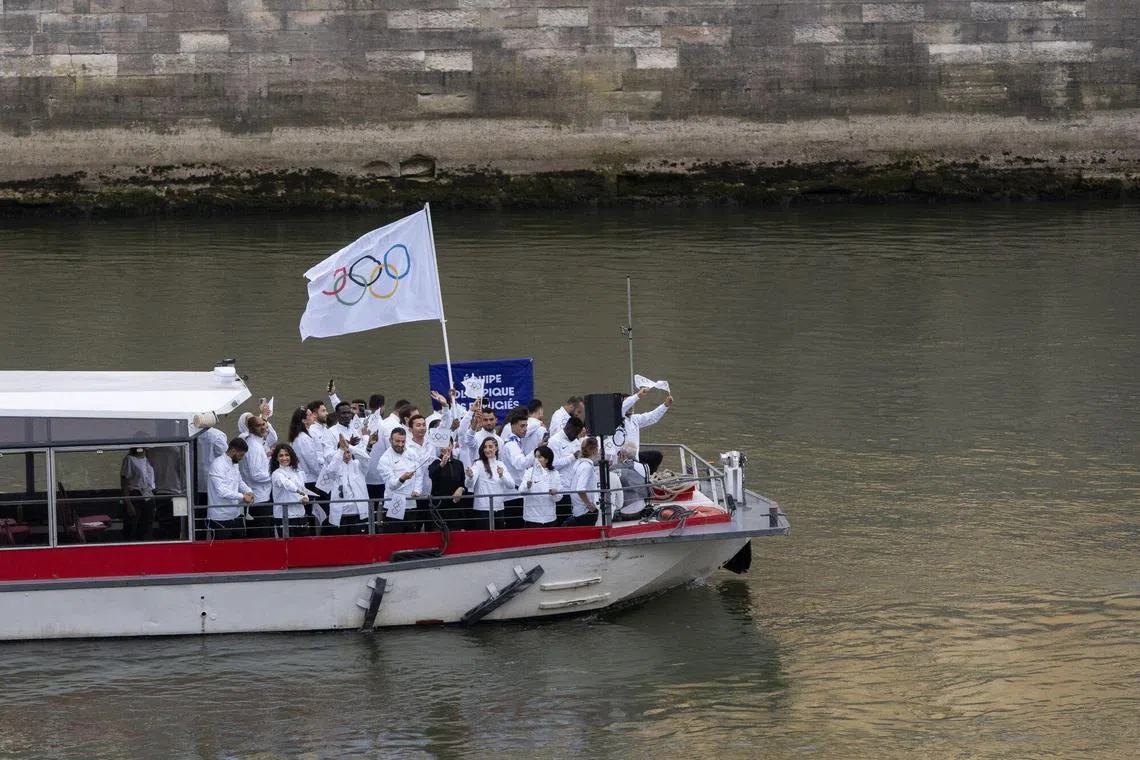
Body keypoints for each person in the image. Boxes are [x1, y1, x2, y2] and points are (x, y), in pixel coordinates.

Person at [316, 434, 370, 534]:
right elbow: (330, 471)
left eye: (348, 452)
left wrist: (349, 447)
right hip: (341, 514)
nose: (347, 455)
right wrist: (341, 450)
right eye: (344, 453)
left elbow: (366, 458)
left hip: (358, 512)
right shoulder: (335, 466)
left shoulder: (358, 466)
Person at [614, 388, 673, 473]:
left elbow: (652, 417)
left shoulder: (634, 419)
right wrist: (637, 396)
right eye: (629, 404)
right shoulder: (615, 419)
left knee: (656, 456)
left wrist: (665, 405)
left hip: (634, 458)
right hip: (620, 460)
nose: (631, 406)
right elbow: (622, 408)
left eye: (632, 404)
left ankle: (649, 477)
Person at [376, 428, 423, 533]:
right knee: (393, 538)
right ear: (390, 440)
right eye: (397, 441)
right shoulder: (384, 459)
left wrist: (417, 490)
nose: (401, 444)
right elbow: (391, 484)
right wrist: (402, 479)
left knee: (411, 538)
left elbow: (419, 474)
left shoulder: (412, 453)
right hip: (393, 504)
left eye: (403, 441)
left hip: (411, 504)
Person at [206, 438, 255, 540]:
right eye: (241, 455)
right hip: (219, 517)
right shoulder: (218, 464)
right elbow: (221, 491)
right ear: (233, 451)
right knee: (222, 552)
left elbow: (240, 482)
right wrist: (243, 496)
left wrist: (249, 491)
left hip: (235, 514)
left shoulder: (234, 464)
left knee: (240, 547)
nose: (241, 458)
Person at [463, 437, 515, 530]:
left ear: (496, 449)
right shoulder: (478, 464)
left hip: (499, 508)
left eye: (490, 447)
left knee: (499, 538)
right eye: (485, 447)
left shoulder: (501, 464)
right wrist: (470, 476)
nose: (487, 450)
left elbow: (511, 485)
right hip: (483, 509)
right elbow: (468, 485)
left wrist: (502, 475)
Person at [239, 414, 275, 538]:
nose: (263, 427)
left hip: (261, 496)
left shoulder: (256, 443)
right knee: (261, 535)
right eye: (258, 425)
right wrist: (274, 476)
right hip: (259, 499)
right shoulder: (254, 447)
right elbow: (255, 474)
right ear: (250, 428)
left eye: (263, 424)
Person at [498, 406, 533, 527]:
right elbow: (520, 464)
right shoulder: (511, 445)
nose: (525, 429)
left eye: (526, 426)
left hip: (517, 494)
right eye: (522, 426)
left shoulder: (516, 442)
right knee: (516, 529)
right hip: (513, 496)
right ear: (512, 427)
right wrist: (536, 452)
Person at [269, 443, 314, 537]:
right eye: (281, 455)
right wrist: (300, 493)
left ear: (291, 456)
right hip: (284, 516)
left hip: (300, 514)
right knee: (287, 548)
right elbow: (287, 484)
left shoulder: (298, 472)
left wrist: (305, 497)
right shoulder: (276, 474)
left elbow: (303, 490)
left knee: (303, 547)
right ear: (276, 458)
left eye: (287, 455)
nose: (284, 458)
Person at [427, 443, 468, 530]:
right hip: (439, 506)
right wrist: (441, 465)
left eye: (448, 445)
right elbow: (432, 475)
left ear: (452, 446)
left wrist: (461, 489)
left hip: (455, 506)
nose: (446, 448)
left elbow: (464, 484)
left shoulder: (459, 463)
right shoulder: (434, 462)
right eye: (443, 445)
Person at [120, 447, 156, 541]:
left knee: (147, 526)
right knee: (132, 527)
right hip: (135, 495)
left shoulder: (148, 459)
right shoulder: (129, 459)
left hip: (148, 495)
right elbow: (124, 483)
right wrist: (128, 503)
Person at [520, 445, 560, 527]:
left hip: (550, 518)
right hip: (532, 518)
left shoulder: (555, 473)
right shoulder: (529, 472)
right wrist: (527, 487)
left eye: (539, 457)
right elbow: (521, 491)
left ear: (547, 459)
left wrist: (554, 493)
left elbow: (559, 496)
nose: (536, 460)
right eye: (535, 457)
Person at [564, 437, 601, 527]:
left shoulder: (578, 464)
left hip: (577, 509)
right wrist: (589, 505)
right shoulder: (586, 467)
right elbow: (580, 489)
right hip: (585, 511)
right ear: (594, 451)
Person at [611, 441, 652, 521]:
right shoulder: (645, 467)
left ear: (622, 455)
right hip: (640, 509)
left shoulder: (613, 469)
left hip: (622, 512)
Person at [195, 421, 228, 506]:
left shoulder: (193, 434)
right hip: (214, 477)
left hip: (195, 479)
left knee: (198, 507)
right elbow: (224, 457)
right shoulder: (218, 435)